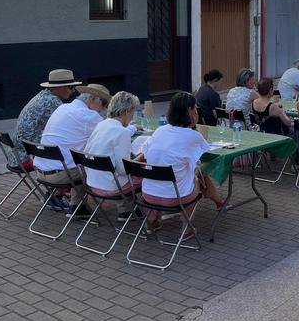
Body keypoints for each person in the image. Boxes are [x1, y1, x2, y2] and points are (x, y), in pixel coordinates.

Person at [140, 92, 224, 236]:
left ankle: (152, 219)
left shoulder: (160, 131)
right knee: (198, 176)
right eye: (195, 109)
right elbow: (205, 153)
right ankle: (187, 227)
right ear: (190, 111)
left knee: (183, 173)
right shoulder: (192, 136)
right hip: (177, 196)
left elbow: (145, 152)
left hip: (148, 194)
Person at [35, 84, 112, 217]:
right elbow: (111, 135)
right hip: (61, 175)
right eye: (104, 103)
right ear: (93, 99)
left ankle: (72, 204)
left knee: (78, 159)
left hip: (41, 171)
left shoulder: (63, 108)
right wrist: (133, 128)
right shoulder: (89, 116)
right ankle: (124, 209)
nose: (104, 109)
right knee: (99, 164)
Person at [82, 91, 143, 221]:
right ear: (127, 111)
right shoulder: (121, 132)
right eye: (132, 113)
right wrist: (141, 157)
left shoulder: (101, 125)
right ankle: (148, 215)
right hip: (111, 187)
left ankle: (128, 211)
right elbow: (123, 170)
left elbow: (88, 152)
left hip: (92, 182)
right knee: (147, 176)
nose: (132, 117)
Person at [12, 69, 82, 171]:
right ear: (59, 87)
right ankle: (63, 185)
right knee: (75, 160)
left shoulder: (43, 95)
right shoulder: (53, 102)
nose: (73, 90)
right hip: (27, 157)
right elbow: (70, 127)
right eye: (71, 87)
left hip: (16, 156)